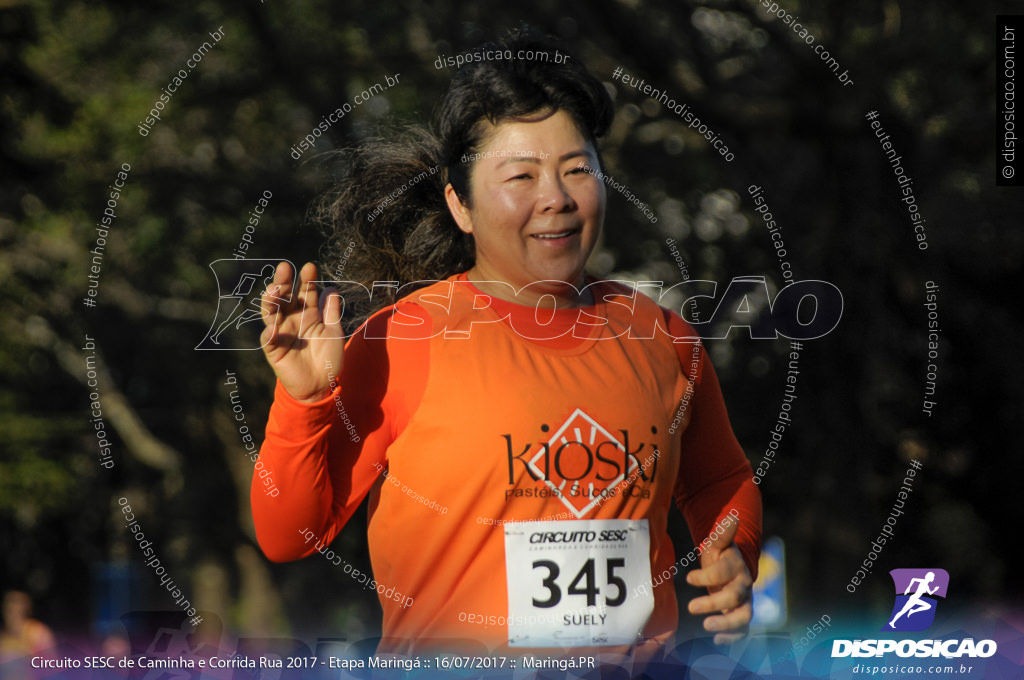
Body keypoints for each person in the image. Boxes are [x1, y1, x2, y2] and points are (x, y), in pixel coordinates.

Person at [251, 31, 762, 661]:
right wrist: (304, 403)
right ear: (460, 206)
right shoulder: (403, 340)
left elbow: (720, 479)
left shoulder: (662, 337)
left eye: (578, 169)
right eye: (521, 175)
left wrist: (735, 558)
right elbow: (289, 535)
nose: (557, 197)